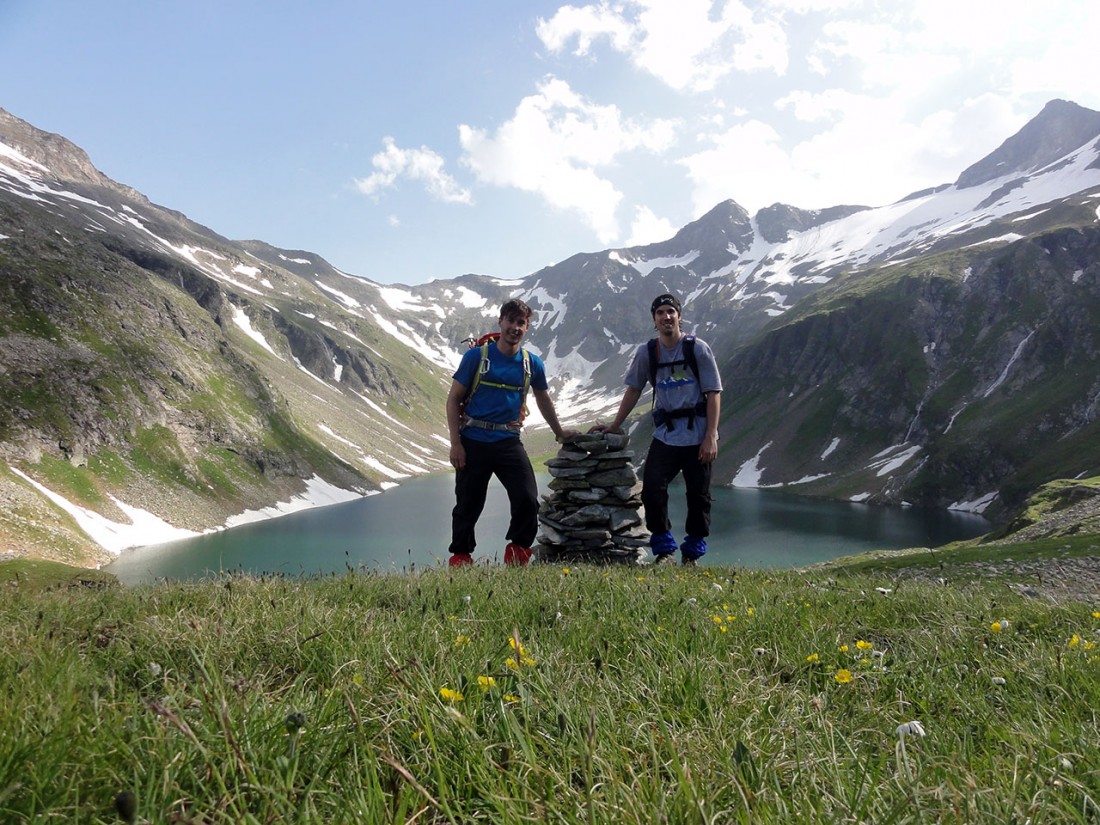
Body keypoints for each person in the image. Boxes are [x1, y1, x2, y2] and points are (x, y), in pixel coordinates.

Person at [592, 293, 722, 565]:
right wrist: (615, 425)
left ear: (679, 316)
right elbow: (633, 389)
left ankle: (692, 555)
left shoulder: (697, 348)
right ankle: (664, 551)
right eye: (660, 313)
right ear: (654, 319)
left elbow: (713, 393)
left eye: (670, 312)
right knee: (652, 490)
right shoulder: (647, 353)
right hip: (666, 435)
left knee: (699, 496)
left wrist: (711, 435)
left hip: (698, 435)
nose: (666, 317)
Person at [446, 298, 577, 567]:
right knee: (467, 506)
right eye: (511, 321)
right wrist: (455, 444)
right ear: (501, 322)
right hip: (473, 440)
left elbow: (543, 400)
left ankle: (517, 553)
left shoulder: (532, 364)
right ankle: (461, 559)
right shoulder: (476, 357)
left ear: (526, 328)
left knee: (527, 499)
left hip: (508, 441)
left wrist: (560, 432)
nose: (515, 327)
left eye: (521, 323)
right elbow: (453, 399)